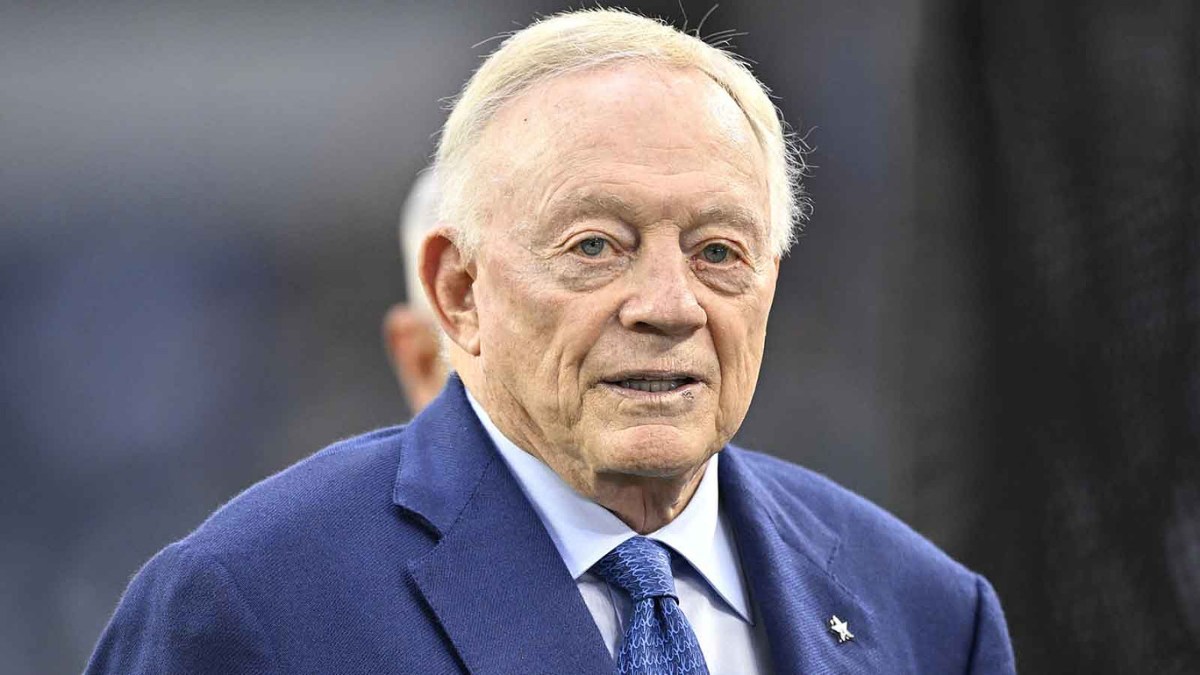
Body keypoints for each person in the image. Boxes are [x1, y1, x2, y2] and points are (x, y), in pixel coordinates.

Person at [86, 9, 1015, 674]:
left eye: (718, 251)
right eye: (596, 246)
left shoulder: (929, 615)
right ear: (460, 291)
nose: (668, 304)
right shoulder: (250, 604)